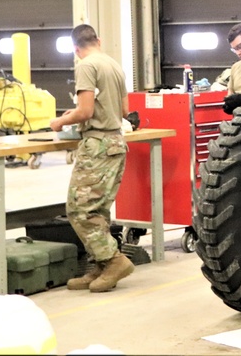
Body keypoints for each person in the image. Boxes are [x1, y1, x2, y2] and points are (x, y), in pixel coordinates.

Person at [49, 24, 134, 293]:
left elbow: (85, 112)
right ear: (98, 39)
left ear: (76, 49)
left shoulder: (86, 66)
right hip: (115, 142)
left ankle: (114, 260)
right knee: (97, 209)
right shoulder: (114, 65)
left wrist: (60, 121)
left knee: (79, 209)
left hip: (97, 144)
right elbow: (124, 110)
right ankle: (100, 265)